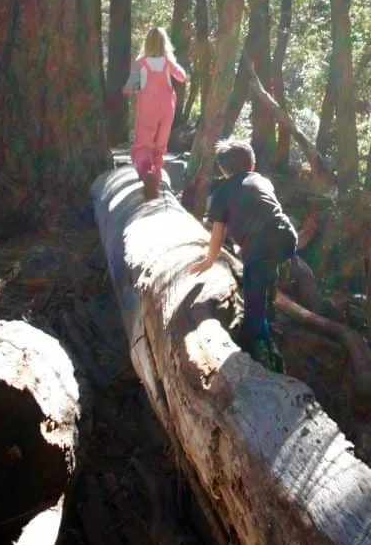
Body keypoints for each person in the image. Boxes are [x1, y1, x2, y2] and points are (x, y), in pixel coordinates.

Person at [190, 139, 297, 368]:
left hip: (259, 246)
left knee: (253, 306)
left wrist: (209, 260)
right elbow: (265, 209)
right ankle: (275, 283)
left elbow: (217, 234)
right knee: (265, 271)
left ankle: (266, 357)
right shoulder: (262, 180)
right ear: (253, 164)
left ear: (222, 169)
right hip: (287, 236)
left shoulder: (222, 192)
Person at [123, 26, 187, 200]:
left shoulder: (141, 63)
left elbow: (128, 88)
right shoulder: (167, 62)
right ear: (165, 43)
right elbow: (182, 76)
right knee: (160, 145)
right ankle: (156, 177)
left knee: (144, 144)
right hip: (166, 109)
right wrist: (171, 62)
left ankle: (146, 175)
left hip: (147, 109)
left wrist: (134, 88)